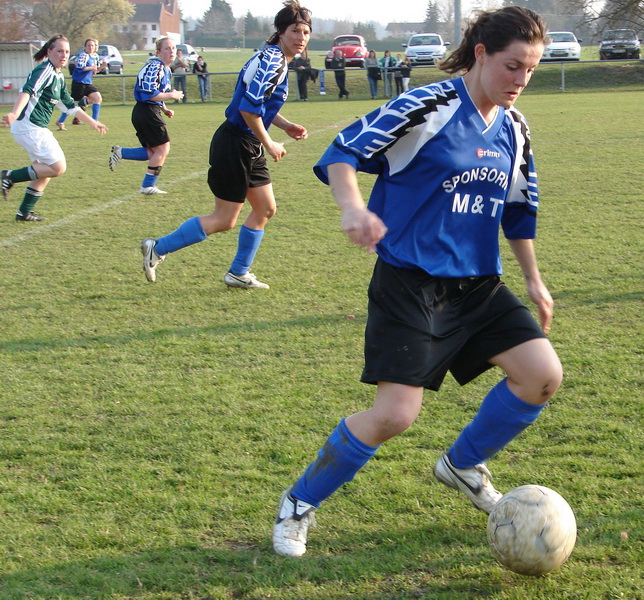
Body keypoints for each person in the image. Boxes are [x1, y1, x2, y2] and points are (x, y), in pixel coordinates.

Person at [272, 5, 562, 558]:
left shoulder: (515, 128)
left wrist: (534, 279)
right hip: (410, 283)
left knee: (542, 376)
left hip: (477, 285)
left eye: (531, 70)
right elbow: (343, 152)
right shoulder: (427, 106)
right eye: (513, 66)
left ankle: (462, 465)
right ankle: (298, 503)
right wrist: (353, 208)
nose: (521, 80)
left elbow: (519, 209)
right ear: (481, 54)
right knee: (395, 416)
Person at [138, 0, 311, 289]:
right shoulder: (273, 60)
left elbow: (258, 104)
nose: (301, 37)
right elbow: (247, 109)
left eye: (305, 32)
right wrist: (269, 142)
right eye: (295, 31)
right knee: (224, 219)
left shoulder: (274, 58)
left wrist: (285, 125)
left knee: (265, 209)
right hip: (236, 143)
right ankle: (157, 247)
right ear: (281, 32)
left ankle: (238, 273)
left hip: (246, 142)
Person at [1, 35, 107, 221]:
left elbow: (70, 105)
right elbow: (27, 91)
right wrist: (14, 113)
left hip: (33, 127)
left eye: (66, 52)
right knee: (57, 167)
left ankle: (24, 212)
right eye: (59, 51)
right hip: (29, 127)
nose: (63, 55)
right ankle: (8, 176)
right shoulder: (45, 71)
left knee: (44, 169)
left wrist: (92, 122)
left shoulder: (57, 75)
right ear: (49, 52)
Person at [108, 36, 183, 195]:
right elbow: (149, 94)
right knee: (163, 148)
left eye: (173, 48)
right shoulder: (155, 67)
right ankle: (147, 186)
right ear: (158, 52)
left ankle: (121, 153)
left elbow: (157, 94)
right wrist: (172, 95)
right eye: (167, 48)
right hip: (146, 112)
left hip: (148, 111)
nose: (171, 51)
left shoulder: (165, 69)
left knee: (154, 151)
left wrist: (165, 109)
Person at [56, 38, 105, 130]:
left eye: (92, 45)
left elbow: (94, 71)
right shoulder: (84, 55)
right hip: (79, 83)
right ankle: (60, 121)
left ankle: (95, 121)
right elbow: (80, 67)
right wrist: (92, 67)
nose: (90, 47)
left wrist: (102, 67)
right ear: (85, 47)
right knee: (72, 105)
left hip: (87, 83)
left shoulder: (95, 56)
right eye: (88, 45)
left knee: (97, 98)